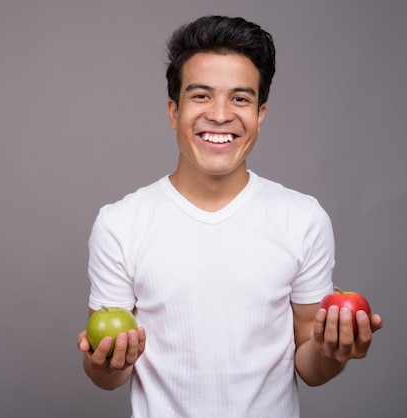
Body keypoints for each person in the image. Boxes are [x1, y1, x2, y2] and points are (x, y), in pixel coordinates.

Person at [76, 15, 383, 417]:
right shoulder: (120, 223)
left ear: (261, 114)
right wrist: (102, 365)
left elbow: (311, 366)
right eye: (201, 95)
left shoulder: (303, 218)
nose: (220, 115)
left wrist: (333, 351)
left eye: (240, 98)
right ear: (173, 110)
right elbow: (108, 375)